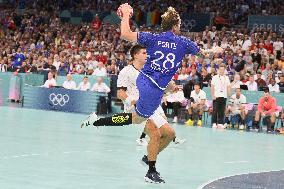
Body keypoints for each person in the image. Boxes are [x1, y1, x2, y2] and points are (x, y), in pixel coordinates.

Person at [81, 5, 199, 184]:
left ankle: (99, 121)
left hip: (152, 104)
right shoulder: (127, 71)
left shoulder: (152, 67)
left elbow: (163, 82)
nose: (147, 53)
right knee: (154, 133)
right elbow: (120, 92)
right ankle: (151, 171)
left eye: (146, 52)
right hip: (136, 104)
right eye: (143, 52)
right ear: (135, 55)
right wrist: (132, 99)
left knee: (169, 134)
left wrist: (170, 88)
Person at [211, 64, 231, 129]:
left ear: (224, 70)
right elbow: (212, 87)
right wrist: (213, 95)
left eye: (223, 70)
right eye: (220, 69)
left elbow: (228, 87)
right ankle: (214, 123)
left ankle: (220, 123)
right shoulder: (215, 77)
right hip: (216, 96)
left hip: (224, 96)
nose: (222, 71)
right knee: (215, 110)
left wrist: (229, 94)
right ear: (218, 70)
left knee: (222, 111)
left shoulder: (227, 78)